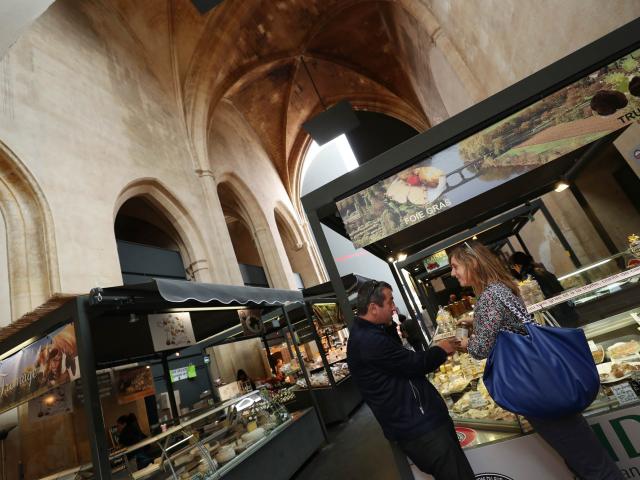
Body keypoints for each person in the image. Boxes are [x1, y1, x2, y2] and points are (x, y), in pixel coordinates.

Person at [450, 242, 622, 480]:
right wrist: (476, 322)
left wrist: (467, 343)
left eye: (455, 267)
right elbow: (509, 324)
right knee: (583, 458)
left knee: (591, 464)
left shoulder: (489, 296)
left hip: (539, 388)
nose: (452, 273)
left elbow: (480, 350)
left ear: (473, 263)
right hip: (546, 380)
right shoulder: (500, 288)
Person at [347, 280, 475, 479]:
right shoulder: (368, 341)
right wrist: (441, 349)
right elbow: (413, 364)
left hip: (421, 423)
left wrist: (389, 325)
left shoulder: (372, 333)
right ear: (373, 308)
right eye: (390, 302)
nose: (394, 307)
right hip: (421, 429)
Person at [509, 251, 579, 327]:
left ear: (517, 265)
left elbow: (538, 298)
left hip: (556, 314)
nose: (514, 270)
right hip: (567, 308)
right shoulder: (541, 270)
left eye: (513, 267)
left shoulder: (528, 278)